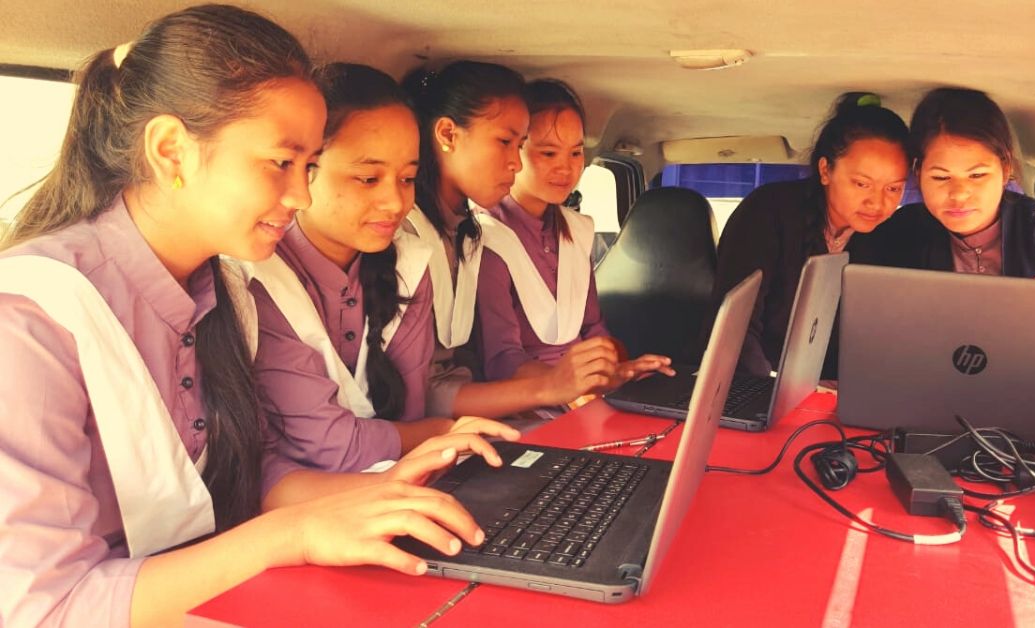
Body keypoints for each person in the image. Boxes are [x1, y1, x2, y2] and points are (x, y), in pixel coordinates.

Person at [0, 7, 486, 625]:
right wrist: (292, 535)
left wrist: (385, 486)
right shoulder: (30, 321)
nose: (302, 196)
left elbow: (253, 470)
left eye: (308, 167)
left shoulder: (221, 289)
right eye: (281, 163)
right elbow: (43, 608)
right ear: (172, 151)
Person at [247, 62, 518, 474]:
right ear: (305, 170)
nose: (396, 203)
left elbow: (407, 418)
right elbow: (331, 447)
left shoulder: (409, 265)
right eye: (368, 178)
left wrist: (432, 435)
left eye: (408, 178)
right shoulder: (259, 277)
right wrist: (442, 431)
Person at [401, 62, 633, 419]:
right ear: (447, 135)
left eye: (575, 152)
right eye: (508, 143)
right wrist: (557, 385)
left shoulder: (463, 233)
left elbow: (592, 326)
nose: (514, 162)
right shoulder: (426, 239)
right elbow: (481, 367)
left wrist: (610, 371)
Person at [868, 87, 1035, 376]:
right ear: (918, 172)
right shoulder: (896, 236)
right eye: (940, 177)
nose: (959, 194)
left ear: (1005, 166)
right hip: (922, 410)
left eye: (977, 175)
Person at [475, 78, 673, 387]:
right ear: (515, 151)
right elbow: (503, 361)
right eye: (549, 153)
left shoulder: (576, 231)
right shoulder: (488, 237)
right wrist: (566, 383)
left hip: (582, 396)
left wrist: (617, 372)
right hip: (526, 400)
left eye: (576, 153)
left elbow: (593, 327)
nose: (566, 168)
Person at [713, 92, 911, 377]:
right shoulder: (770, 212)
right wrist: (764, 395)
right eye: (861, 184)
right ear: (825, 170)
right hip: (750, 382)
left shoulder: (887, 238)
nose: (878, 203)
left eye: (893, 189)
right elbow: (736, 326)